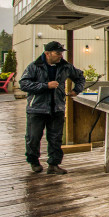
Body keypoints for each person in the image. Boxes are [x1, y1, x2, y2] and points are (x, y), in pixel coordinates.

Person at [19, 41, 86, 175]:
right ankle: (34, 161)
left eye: (61, 53)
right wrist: (45, 86)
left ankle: (54, 164)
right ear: (47, 53)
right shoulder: (34, 66)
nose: (60, 56)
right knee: (33, 137)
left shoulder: (66, 66)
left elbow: (80, 77)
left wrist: (76, 90)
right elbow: (24, 84)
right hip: (37, 108)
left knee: (55, 137)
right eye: (57, 53)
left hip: (57, 108)